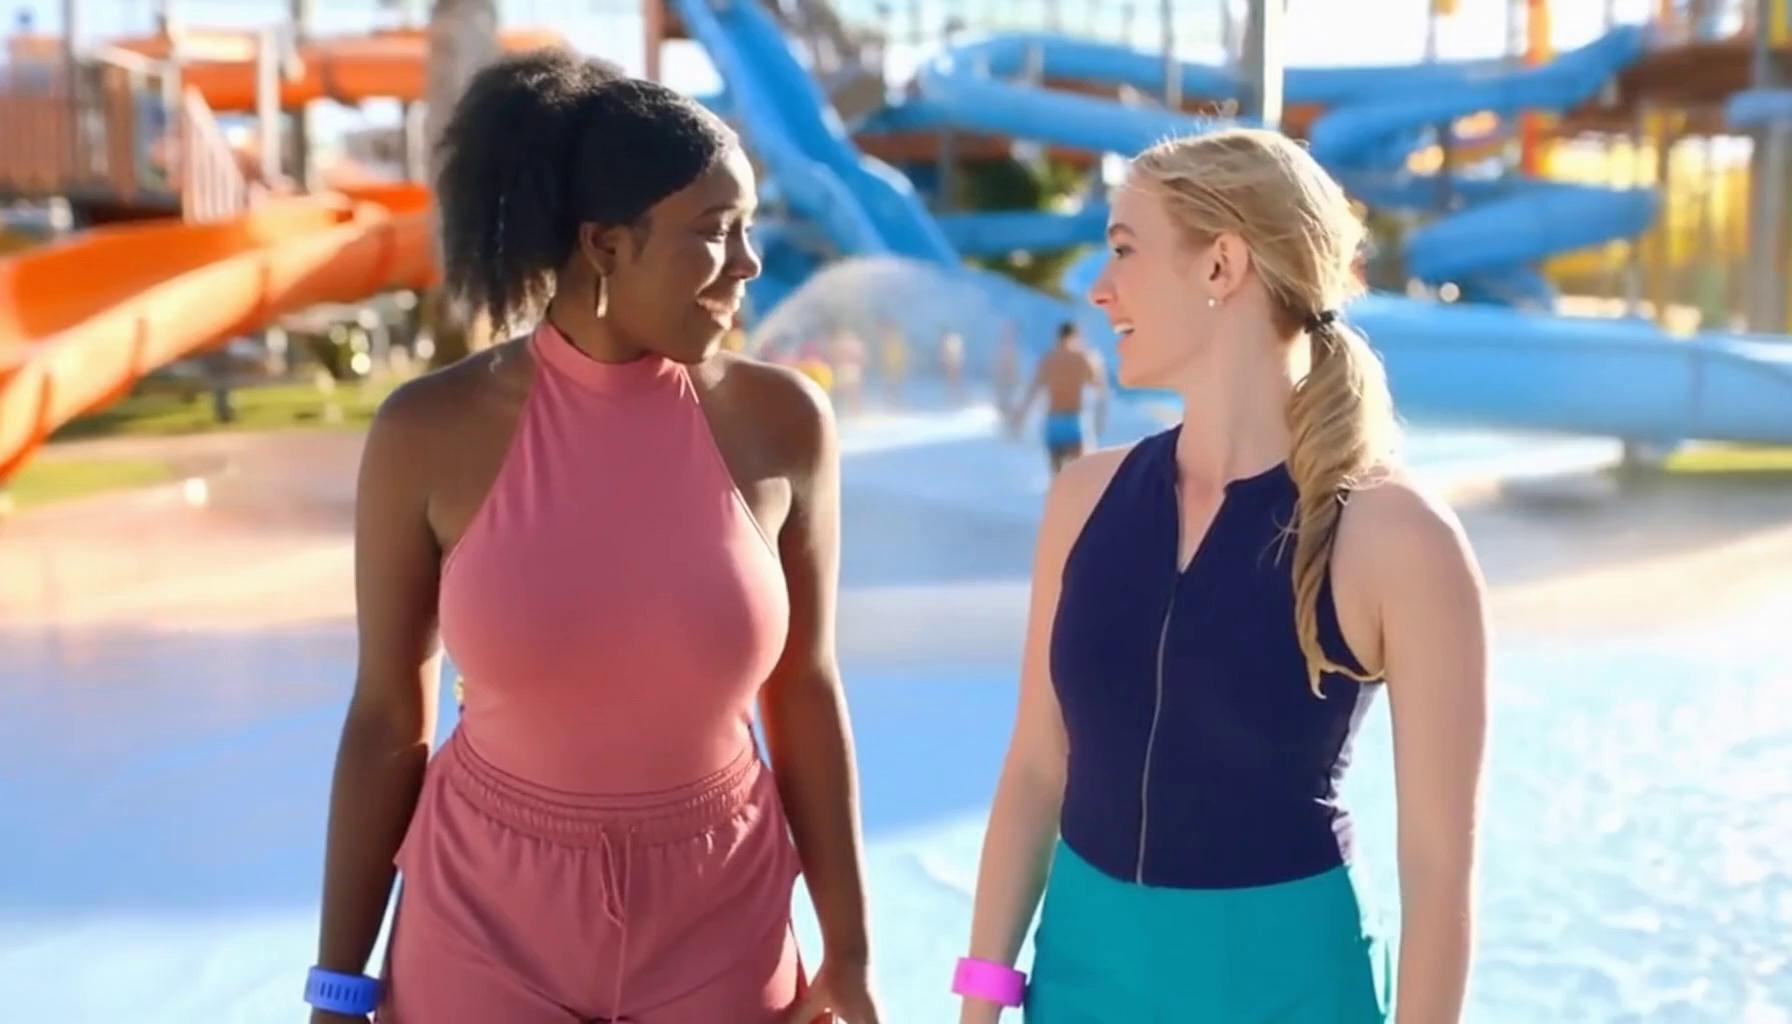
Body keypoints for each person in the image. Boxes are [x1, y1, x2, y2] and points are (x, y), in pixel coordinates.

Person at [307, 50, 880, 1024]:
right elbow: (383, 718)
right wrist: (336, 983)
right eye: (715, 231)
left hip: (720, 918)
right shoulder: (429, 432)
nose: (748, 261)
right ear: (605, 246)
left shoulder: (782, 425)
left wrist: (852, 951)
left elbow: (808, 694)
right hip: (482, 921)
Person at [954, 128, 1488, 1022]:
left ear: (1222, 265)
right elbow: (1038, 770)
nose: (1100, 285)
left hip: (1285, 984)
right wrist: (980, 999)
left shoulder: (1397, 537)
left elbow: (1439, 871)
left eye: (1125, 249)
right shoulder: (1084, 500)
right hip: (1083, 977)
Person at [1012, 322, 1107, 474]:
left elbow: (1032, 392)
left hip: (1053, 423)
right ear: (1076, 337)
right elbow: (1099, 388)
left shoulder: (1048, 360)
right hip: (1074, 422)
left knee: (1058, 480)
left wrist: (1019, 417)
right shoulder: (1083, 358)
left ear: (1057, 337)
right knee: (1082, 479)